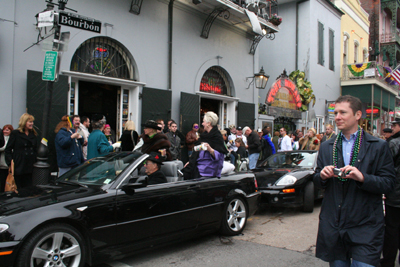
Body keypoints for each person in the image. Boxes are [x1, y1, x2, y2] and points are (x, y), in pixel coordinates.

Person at [314, 95, 395, 267]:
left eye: (343, 112)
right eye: (335, 113)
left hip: (365, 226)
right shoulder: (327, 146)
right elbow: (316, 180)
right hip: (334, 225)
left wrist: (363, 178)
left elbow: (388, 183)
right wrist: (322, 175)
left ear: (358, 115)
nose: (337, 117)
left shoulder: (377, 146)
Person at [182, 111, 228, 179]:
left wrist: (210, 149)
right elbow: (196, 151)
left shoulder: (217, 137)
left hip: (207, 171)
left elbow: (220, 156)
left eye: (203, 121)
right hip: (200, 167)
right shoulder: (204, 136)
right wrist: (191, 162)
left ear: (208, 123)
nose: (202, 124)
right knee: (186, 172)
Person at [381, 118, 400, 267]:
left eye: (394, 125)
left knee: (392, 230)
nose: (392, 128)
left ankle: (388, 261)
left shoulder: (393, 143)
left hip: (396, 196)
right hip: (395, 194)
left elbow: (387, 169)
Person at [5, 113, 38, 189]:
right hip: (19, 163)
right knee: (19, 186)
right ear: (24, 122)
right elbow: (8, 149)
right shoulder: (15, 133)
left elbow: (35, 148)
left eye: (32, 122)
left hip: (30, 163)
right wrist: (11, 161)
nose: (32, 123)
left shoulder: (33, 133)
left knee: (29, 185)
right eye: (30, 122)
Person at [0, 125, 13, 192]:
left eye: (7, 130)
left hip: (7, 163)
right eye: (4, 130)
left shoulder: (11, 138)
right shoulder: (2, 138)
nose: (5, 131)